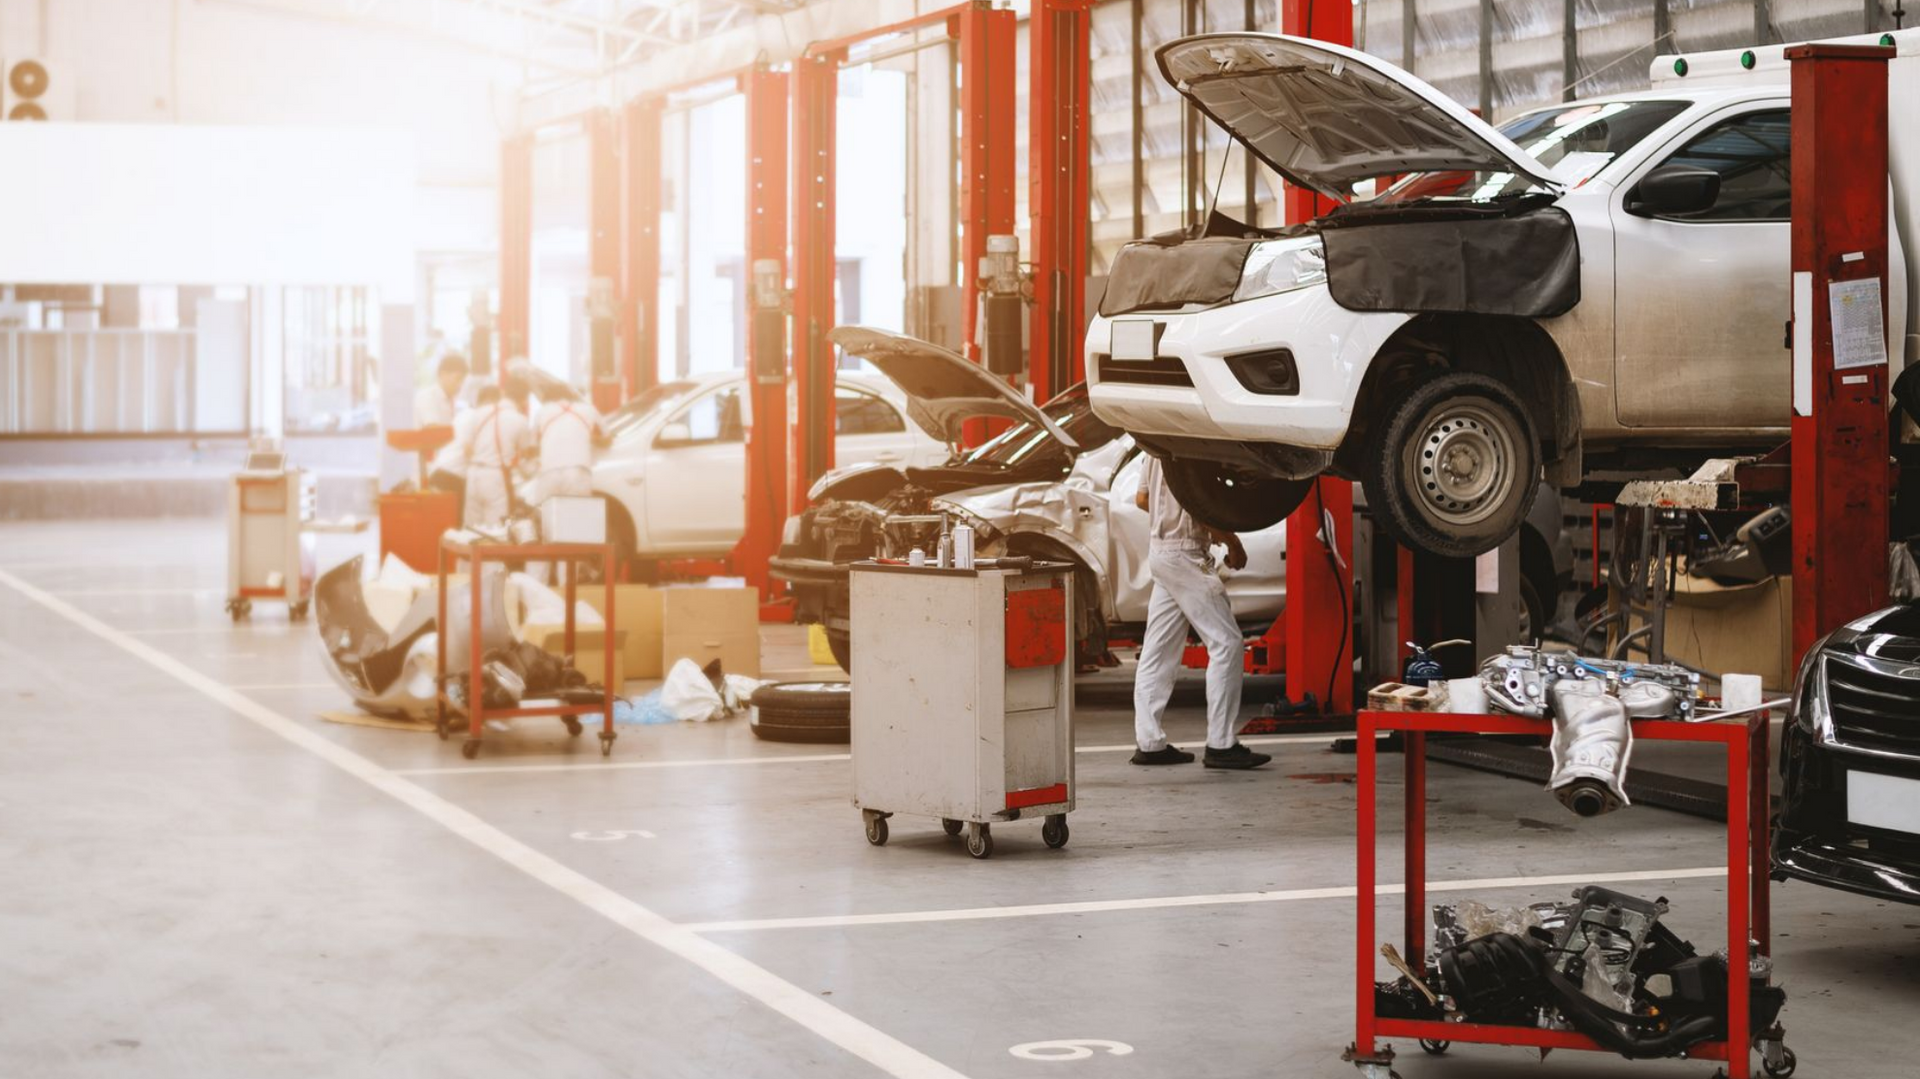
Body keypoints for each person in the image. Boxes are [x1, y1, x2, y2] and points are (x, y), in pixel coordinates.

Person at [1130, 455, 1271, 770]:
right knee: (1227, 643)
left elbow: (1142, 499)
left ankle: (1150, 744)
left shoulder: (1152, 446)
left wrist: (1167, 515)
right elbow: (1199, 505)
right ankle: (1221, 744)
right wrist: (1232, 542)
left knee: (1158, 650)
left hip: (1161, 552)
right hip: (1186, 554)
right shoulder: (1191, 444)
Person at [461, 376, 532, 529]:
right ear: (525, 400)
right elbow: (526, 456)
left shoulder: (479, 413)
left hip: (473, 475)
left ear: (503, 392)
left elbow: (467, 448)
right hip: (495, 477)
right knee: (496, 532)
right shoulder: (520, 420)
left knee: (472, 530)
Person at [530, 383, 607, 506]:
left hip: (549, 472)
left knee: (548, 519)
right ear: (571, 396)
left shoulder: (542, 411)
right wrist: (588, 438)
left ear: (548, 399)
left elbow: (533, 445)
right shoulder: (589, 409)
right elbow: (606, 439)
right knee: (575, 516)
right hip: (578, 471)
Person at [414, 353, 468, 428]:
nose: (460, 384)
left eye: (463, 380)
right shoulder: (427, 397)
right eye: (458, 378)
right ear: (443, 374)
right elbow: (433, 430)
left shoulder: (451, 402)